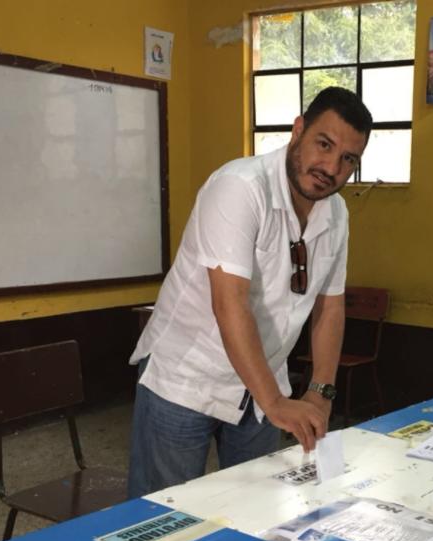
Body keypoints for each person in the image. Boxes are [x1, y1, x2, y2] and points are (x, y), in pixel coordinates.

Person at [127, 87, 372, 498]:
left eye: (348, 159)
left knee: (253, 513)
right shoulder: (239, 187)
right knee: (162, 519)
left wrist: (320, 392)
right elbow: (229, 305)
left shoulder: (336, 213)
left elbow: (330, 306)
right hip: (186, 378)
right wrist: (276, 402)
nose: (331, 167)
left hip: (261, 385)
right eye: (324, 144)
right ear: (298, 130)